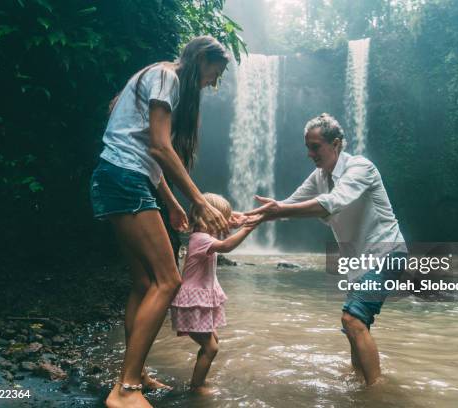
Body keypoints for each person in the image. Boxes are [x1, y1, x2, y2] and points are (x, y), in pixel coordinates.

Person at [90, 36, 234, 408]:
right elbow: (158, 146)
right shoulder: (168, 77)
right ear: (202, 59)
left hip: (117, 178)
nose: (210, 84)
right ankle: (125, 389)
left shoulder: (153, 74)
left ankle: (134, 373)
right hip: (125, 180)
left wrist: (171, 202)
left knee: (142, 282)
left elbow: (148, 156)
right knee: (169, 280)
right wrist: (198, 201)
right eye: (213, 75)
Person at [246, 113, 407, 386]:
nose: (310, 153)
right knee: (355, 325)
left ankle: (377, 393)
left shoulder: (361, 168)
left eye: (315, 146)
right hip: (358, 262)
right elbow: (288, 205)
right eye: (307, 147)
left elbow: (332, 202)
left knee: (352, 319)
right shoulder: (319, 176)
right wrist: (246, 217)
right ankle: (359, 382)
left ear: (336, 144)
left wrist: (277, 209)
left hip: (387, 253)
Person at [171, 193, 256, 393]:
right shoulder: (201, 239)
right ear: (208, 219)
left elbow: (223, 236)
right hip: (191, 303)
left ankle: (199, 380)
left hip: (196, 302)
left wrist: (239, 221)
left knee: (213, 342)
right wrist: (248, 229)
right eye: (221, 218)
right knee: (212, 348)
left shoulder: (202, 236)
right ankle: (196, 386)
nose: (225, 223)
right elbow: (227, 246)